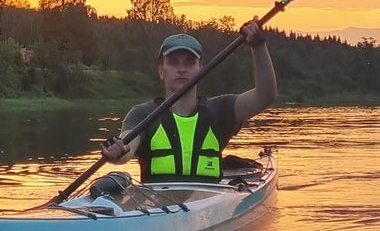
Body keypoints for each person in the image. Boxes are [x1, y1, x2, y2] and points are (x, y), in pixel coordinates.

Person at [100, 24, 277, 182]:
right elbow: (126, 148)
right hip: (157, 207)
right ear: (161, 70)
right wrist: (117, 151)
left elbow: (265, 95)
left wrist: (258, 46)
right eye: (173, 62)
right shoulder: (142, 114)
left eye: (190, 62)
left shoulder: (221, 110)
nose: (182, 69)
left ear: (201, 68)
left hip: (209, 206)